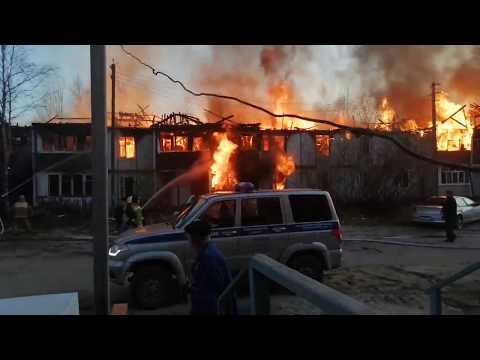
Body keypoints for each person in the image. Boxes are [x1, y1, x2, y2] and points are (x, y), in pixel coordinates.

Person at [184, 219, 237, 315]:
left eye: (189, 237)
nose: (189, 241)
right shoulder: (206, 253)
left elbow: (215, 289)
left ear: (197, 238)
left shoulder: (209, 257)